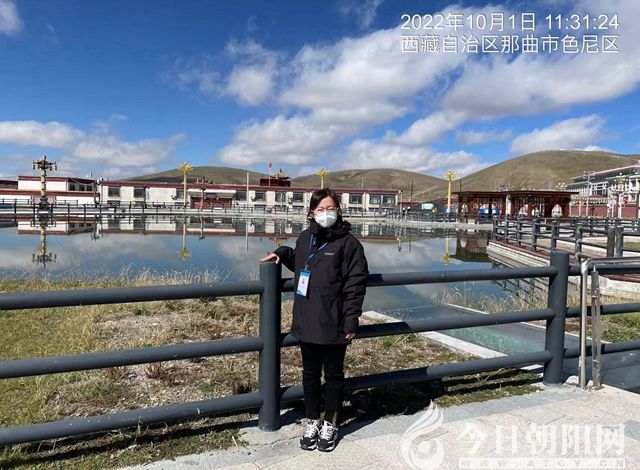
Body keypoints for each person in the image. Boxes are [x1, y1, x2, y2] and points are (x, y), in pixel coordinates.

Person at [260, 188, 368, 452]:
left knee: (333, 376)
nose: (325, 213)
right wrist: (282, 253)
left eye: (330, 208)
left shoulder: (350, 245)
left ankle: (330, 424)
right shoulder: (305, 237)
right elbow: (301, 261)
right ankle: (312, 421)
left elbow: (355, 285)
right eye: (320, 209)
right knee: (309, 375)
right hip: (306, 320)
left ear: (339, 211)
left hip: (334, 322)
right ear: (311, 213)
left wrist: (351, 319)